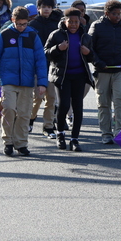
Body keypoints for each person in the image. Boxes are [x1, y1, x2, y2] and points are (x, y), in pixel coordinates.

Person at [0, 6, 48, 157]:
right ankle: (8, 142)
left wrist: (42, 83)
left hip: (27, 81)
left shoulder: (33, 36)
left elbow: (40, 60)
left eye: (24, 24)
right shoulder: (5, 35)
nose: (21, 27)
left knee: (25, 113)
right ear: (12, 20)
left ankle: (21, 143)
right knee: (9, 109)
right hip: (8, 80)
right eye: (19, 24)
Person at [44, 8, 95, 151]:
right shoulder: (56, 35)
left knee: (78, 107)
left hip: (79, 75)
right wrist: (58, 48)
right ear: (64, 21)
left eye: (76, 22)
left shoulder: (85, 36)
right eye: (70, 22)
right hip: (62, 76)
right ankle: (60, 134)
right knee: (64, 105)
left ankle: (75, 139)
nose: (73, 25)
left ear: (80, 22)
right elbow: (46, 53)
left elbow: (93, 57)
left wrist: (88, 52)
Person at [89, 0, 121, 145]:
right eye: (114, 14)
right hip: (102, 70)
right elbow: (89, 48)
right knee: (103, 103)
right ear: (106, 13)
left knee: (120, 100)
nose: (118, 17)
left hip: (120, 69)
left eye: (119, 14)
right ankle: (106, 133)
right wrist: (98, 62)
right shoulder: (96, 26)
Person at [28, 0, 62, 138]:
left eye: (49, 6)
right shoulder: (32, 25)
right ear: (38, 9)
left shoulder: (58, 24)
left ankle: (48, 126)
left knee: (51, 99)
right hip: (38, 67)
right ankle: (30, 119)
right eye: (44, 7)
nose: (47, 9)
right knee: (38, 97)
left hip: (53, 66)